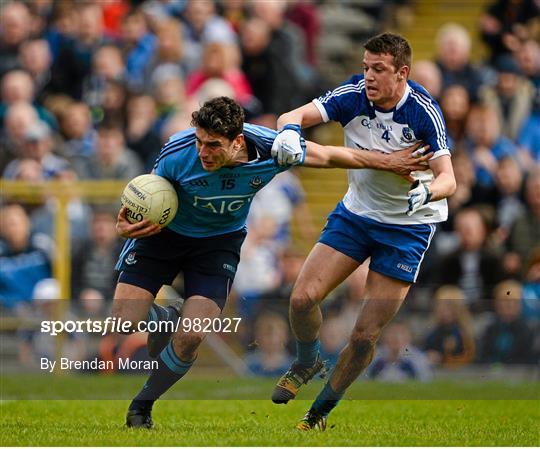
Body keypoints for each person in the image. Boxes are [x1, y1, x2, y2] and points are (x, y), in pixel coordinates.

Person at [112, 96, 430, 429]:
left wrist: (388, 162)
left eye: (213, 145)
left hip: (217, 245)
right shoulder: (177, 152)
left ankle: (141, 407)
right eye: (199, 142)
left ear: (237, 142)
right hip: (165, 235)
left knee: (191, 336)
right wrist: (126, 225)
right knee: (122, 322)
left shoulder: (273, 149)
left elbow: (333, 155)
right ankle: (164, 316)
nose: (203, 153)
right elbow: (146, 196)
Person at [269, 33, 456, 431]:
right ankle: (307, 360)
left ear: (402, 73)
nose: (368, 76)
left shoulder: (423, 111)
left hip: (407, 227)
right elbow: (293, 116)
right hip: (357, 215)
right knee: (302, 298)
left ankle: (317, 414)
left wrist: (427, 190)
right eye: (366, 66)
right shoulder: (352, 94)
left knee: (364, 336)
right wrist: (288, 131)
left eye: (378, 69)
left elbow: (449, 180)